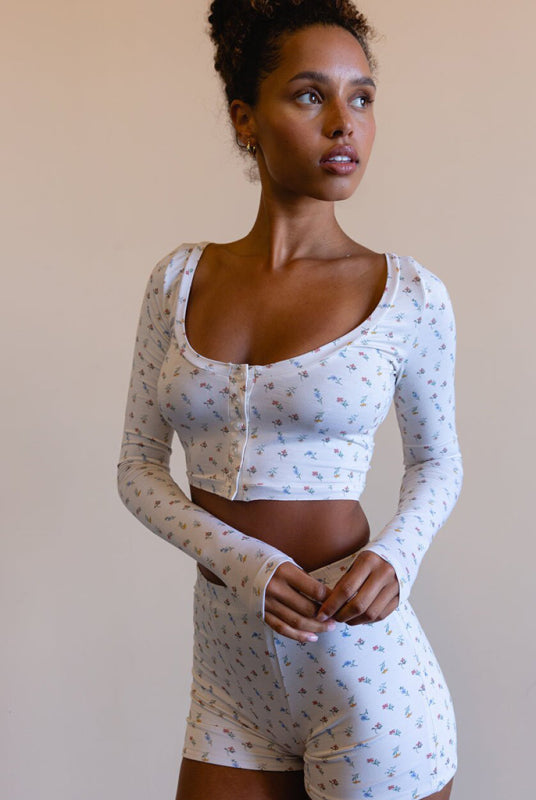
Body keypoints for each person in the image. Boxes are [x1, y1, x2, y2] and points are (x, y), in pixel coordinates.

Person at [117, 1, 463, 798]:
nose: (344, 123)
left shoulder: (408, 295)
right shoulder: (177, 281)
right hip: (227, 676)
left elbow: (437, 461)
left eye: (362, 97)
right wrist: (241, 561)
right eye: (311, 95)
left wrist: (396, 557)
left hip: (362, 672)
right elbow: (137, 467)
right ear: (246, 119)